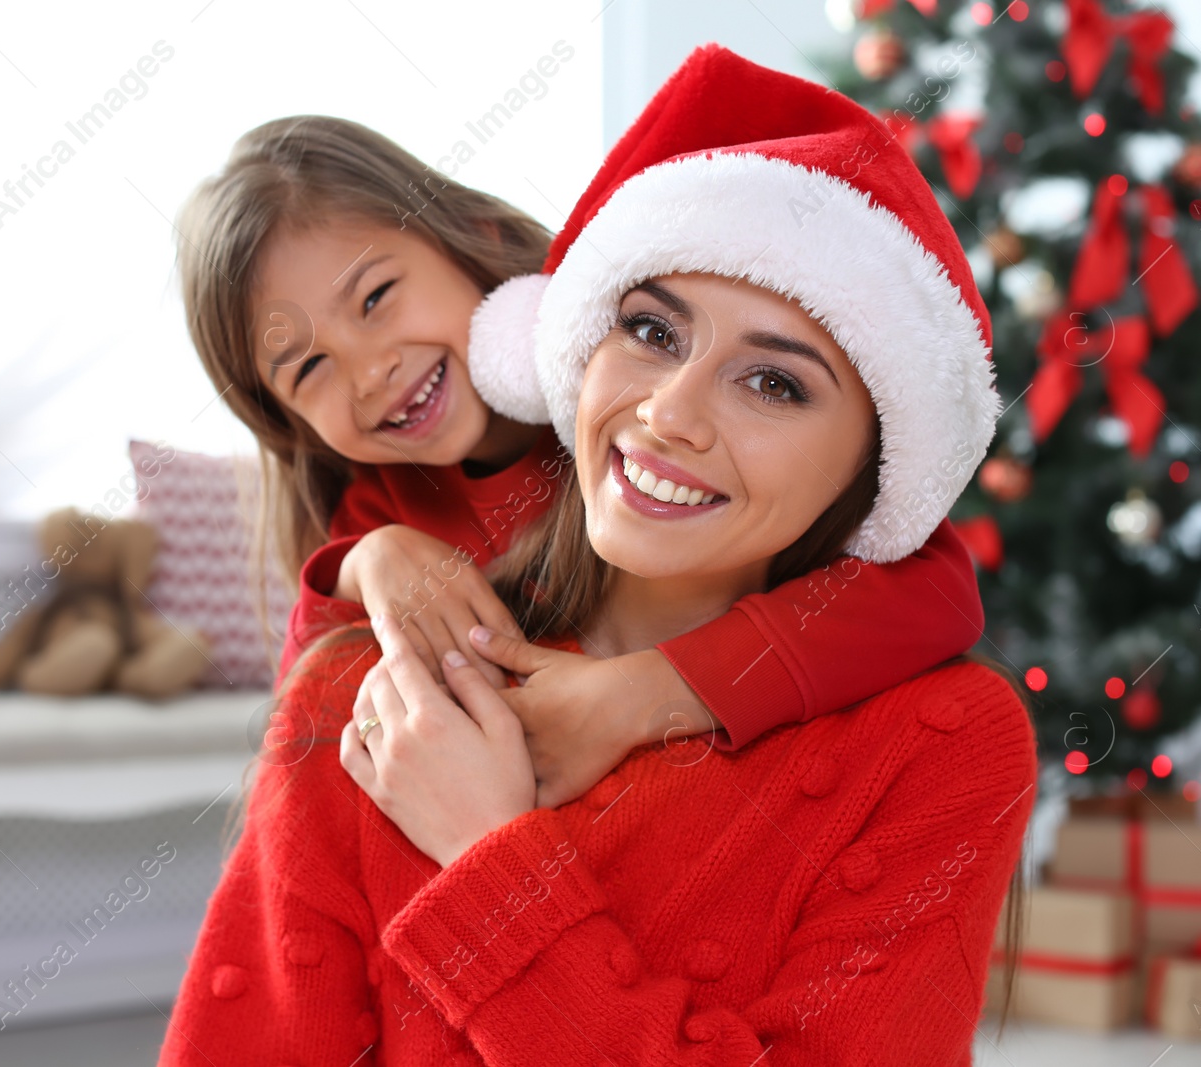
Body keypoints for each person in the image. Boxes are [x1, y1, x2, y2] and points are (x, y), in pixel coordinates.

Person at [160, 47, 1035, 1066]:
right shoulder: (369, 678)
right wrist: (365, 568)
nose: (667, 412)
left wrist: (503, 847)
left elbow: (927, 592)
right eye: (652, 330)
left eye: (776, 385)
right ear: (578, 346)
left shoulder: (942, 744)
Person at [176, 110, 984, 807]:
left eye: (376, 297)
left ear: (475, 239)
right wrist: (365, 565)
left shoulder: (627, 414)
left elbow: (933, 593)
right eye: (309, 368)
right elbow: (310, 720)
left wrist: (655, 691)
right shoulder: (381, 518)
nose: (368, 368)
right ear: (286, 423)